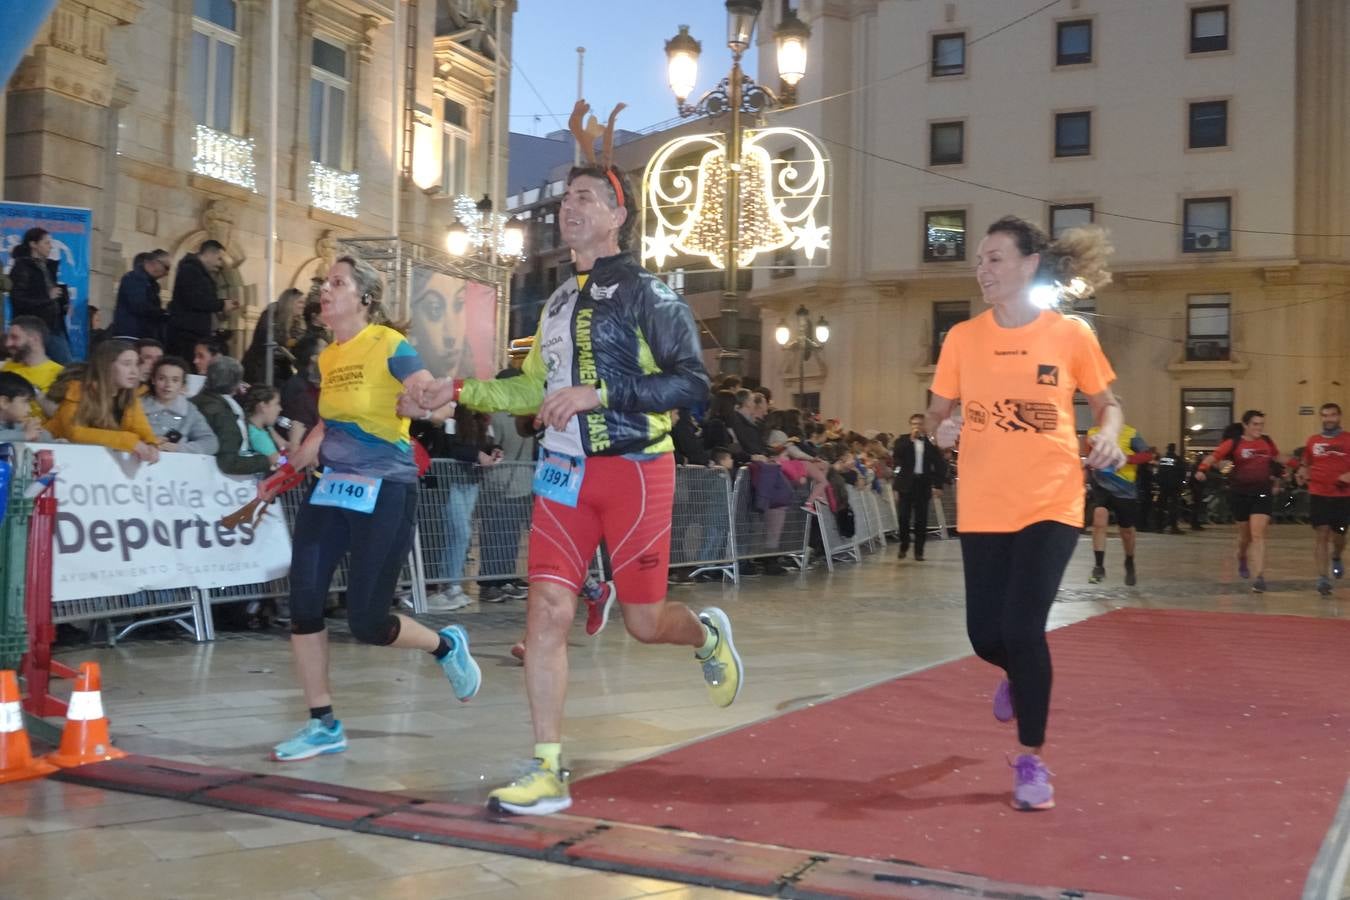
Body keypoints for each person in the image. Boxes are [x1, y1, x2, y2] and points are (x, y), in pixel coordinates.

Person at [405, 124, 739, 816]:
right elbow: (531, 391)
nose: (570, 208)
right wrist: (460, 390)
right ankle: (548, 768)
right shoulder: (555, 303)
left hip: (636, 471)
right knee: (547, 611)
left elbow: (693, 386)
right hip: (563, 476)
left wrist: (604, 393)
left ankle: (704, 634)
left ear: (618, 215)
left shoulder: (653, 295)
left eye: (586, 198)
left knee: (644, 625)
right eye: (566, 199)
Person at [926, 215, 1124, 812]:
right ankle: (1017, 674)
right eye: (979, 260)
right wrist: (945, 428)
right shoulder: (962, 338)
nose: (981, 269)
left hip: (1052, 499)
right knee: (985, 635)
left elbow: (1106, 403)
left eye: (993, 258)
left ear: (1029, 264)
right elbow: (934, 418)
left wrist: (1109, 435)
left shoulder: (1070, 336)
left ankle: (1032, 760)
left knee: (1022, 628)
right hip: (984, 502)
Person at [265, 253, 480, 762]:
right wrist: (287, 469)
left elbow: (439, 399)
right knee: (303, 601)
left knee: (367, 622)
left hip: (386, 490)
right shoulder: (329, 357)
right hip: (333, 486)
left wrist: (425, 406)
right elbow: (327, 426)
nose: (325, 289)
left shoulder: (389, 344)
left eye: (336, 283)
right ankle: (323, 724)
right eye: (324, 282)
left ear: (364, 297)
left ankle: (444, 646)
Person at [1195, 410, 1281, 593]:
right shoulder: (1234, 443)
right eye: (1255, 424)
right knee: (1245, 537)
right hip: (1240, 493)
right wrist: (1202, 468)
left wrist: (1296, 468)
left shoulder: (1267, 441)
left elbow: (1277, 458)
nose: (1259, 428)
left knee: (1257, 534)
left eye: (1261, 424)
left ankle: (1259, 577)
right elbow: (1214, 457)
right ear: (1246, 426)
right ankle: (1241, 556)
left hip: (1262, 492)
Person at [47, 339, 161, 460]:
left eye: (136, 364)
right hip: (56, 457)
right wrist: (128, 441)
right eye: (127, 364)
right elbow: (74, 433)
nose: (134, 371)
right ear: (106, 366)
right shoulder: (78, 390)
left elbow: (141, 428)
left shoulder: (129, 397)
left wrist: (151, 444)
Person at [1086, 421, 1152, 586]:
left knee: (1126, 531)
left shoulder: (1131, 433)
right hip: (1101, 485)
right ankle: (1099, 566)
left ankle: (1129, 561)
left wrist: (1126, 458)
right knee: (1099, 518)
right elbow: (1090, 458)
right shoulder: (1093, 432)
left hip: (1125, 489)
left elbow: (1147, 455)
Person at [1293, 402, 1349, 596]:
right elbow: (1306, 462)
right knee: (1322, 534)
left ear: (1339, 416)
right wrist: (1301, 471)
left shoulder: (1348, 439)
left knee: (1339, 536)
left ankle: (1336, 556)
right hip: (1318, 494)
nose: (1328, 419)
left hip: (1343, 496)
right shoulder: (1313, 441)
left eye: (1332, 415)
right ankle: (1323, 578)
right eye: (1325, 415)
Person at [191, 357, 274, 477]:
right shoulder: (224, 414)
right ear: (236, 383)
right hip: (220, 482)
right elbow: (228, 462)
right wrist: (265, 461)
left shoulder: (194, 402)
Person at [6, 228, 71, 364]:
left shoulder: (48, 267)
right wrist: (47, 297)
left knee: (63, 367)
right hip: (34, 328)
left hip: (54, 325)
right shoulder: (22, 267)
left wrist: (63, 301)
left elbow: (51, 294)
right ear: (33, 244)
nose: (50, 246)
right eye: (46, 242)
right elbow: (18, 300)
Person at [892, 413, 948, 561]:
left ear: (924, 426)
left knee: (921, 520)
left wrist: (938, 485)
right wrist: (911, 440)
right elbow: (897, 455)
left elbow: (939, 464)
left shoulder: (930, 443)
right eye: (914, 424)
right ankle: (904, 545)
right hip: (905, 485)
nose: (917, 427)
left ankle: (919, 551)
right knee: (903, 517)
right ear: (910, 425)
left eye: (919, 424)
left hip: (922, 484)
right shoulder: (902, 440)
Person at [141, 356, 219, 454]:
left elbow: (211, 443)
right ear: (153, 380)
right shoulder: (137, 406)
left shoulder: (189, 410)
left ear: (182, 384)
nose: (168, 385)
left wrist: (178, 448)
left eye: (175, 380)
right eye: (162, 378)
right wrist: (146, 444)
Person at [167, 240, 228, 360]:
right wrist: (221, 304)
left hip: (193, 334)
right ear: (209, 254)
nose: (220, 264)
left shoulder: (198, 272)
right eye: (219, 258)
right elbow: (195, 299)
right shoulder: (190, 269)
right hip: (187, 335)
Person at [3, 316, 64, 419]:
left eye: (14, 337)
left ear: (35, 339)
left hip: (41, 432)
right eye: (7, 338)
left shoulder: (59, 373)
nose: (8, 343)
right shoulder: (6, 367)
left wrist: (33, 391)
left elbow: (60, 416)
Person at [243, 287, 304, 385]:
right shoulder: (270, 315)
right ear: (290, 302)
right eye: (300, 302)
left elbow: (294, 344)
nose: (303, 306)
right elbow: (271, 338)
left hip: (280, 367)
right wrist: (292, 341)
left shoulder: (296, 323)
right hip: (261, 366)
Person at [110, 249, 171, 340]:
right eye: (166, 267)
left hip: (143, 335)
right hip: (130, 334)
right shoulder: (134, 279)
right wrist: (164, 314)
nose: (167, 273)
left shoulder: (150, 283)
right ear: (155, 263)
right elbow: (139, 306)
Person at [281, 334, 326, 431]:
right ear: (314, 358)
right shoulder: (296, 385)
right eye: (326, 348)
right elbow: (288, 422)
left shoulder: (321, 382)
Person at [243, 384, 291, 465]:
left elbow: (284, 445)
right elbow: (280, 463)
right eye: (277, 404)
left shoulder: (265, 428)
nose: (280, 409)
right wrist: (295, 439)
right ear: (263, 406)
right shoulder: (259, 437)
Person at [0, 372, 49, 442]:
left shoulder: (18, 425)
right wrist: (25, 435)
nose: (29, 410)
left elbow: (42, 437)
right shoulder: (22, 433)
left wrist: (57, 444)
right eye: (25, 402)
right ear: (4, 402)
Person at [1155, 442, 1186, 534]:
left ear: (1167, 449)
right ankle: (1173, 527)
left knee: (1161, 507)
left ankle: (1159, 527)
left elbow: (1159, 472)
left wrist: (1159, 483)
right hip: (1174, 487)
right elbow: (1182, 473)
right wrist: (1181, 485)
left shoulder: (1163, 459)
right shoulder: (1178, 459)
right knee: (1174, 507)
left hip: (1163, 486)